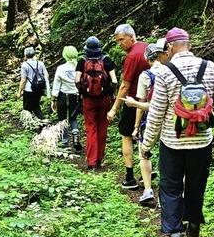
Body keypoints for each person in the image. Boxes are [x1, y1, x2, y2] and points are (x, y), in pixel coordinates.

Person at [141, 28, 214, 237]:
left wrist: (146, 145)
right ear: (188, 44)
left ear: (169, 48)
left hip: (173, 143)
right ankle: (193, 233)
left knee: (171, 189)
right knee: (196, 185)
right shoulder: (210, 68)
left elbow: (157, 114)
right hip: (202, 142)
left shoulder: (165, 73)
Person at [121, 38, 168, 207]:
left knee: (144, 152)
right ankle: (167, 191)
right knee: (167, 154)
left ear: (148, 59)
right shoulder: (170, 71)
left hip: (149, 120)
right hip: (168, 120)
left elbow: (141, 105)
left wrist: (135, 126)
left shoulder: (145, 75)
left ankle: (148, 190)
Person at [107, 24, 149, 189]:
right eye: (117, 41)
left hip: (133, 101)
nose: (119, 44)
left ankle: (129, 177)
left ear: (132, 36)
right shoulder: (147, 48)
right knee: (145, 134)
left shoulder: (132, 57)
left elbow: (125, 85)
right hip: (149, 101)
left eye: (121, 40)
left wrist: (114, 108)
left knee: (126, 135)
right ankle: (147, 168)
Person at [75, 36, 118, 169]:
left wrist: (82, 92)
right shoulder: (106, 60)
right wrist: (112, 94)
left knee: (90, 128)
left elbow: (77, 80)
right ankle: (99, 159)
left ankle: (91, 161)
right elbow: (115, 81)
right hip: (105, 99)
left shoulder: (82, 60)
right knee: (102, 127)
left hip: (88, 100)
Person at [51, 45, 82, 150]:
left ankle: (64, 141)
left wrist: (54, 100)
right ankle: (75, 134)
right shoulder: (79, 67)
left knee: (62, 118)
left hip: (62, 96)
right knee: (73, 117)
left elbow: (56, 85)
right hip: (75, 96)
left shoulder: (61, 68)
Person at [17, 47, 50, 119]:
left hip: (29, 89)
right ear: (34, 54)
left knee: (26, 108)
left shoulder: (25, 65)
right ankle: (42, 120)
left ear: (25, 55)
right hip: (39, 88)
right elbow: (46, 75)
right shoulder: (40, 63)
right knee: (36, 105)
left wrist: (19, 92)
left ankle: (28, 124)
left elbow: (23, 80)